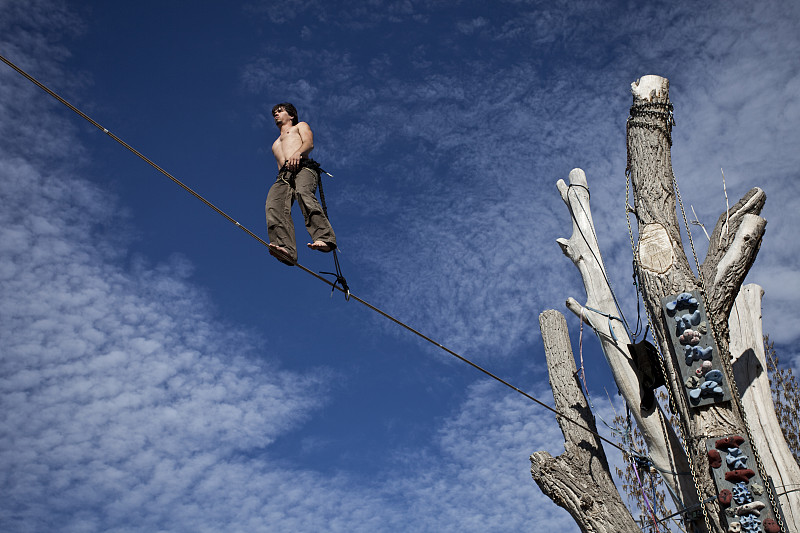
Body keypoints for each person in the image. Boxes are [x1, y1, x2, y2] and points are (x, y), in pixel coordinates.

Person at [265, 102, 336, 266]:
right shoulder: (275, 144)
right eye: (274, 112)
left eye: (280, 111)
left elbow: (309, 144)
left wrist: (298, 153)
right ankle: (286, 249)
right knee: (273, 205)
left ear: (291, 115)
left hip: (303, 167)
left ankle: (324, 238)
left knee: (303, 194)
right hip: (283, 175)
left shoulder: (299, 126)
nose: (276, 114)